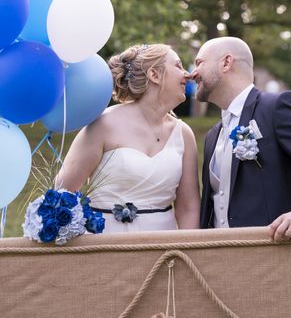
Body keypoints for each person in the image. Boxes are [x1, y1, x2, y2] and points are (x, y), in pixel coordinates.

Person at [190, 37, 291, 241]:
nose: (193, 73)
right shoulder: (212, 136)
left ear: (226, 63)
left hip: (274, 253)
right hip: (220, 259)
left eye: (199, 63)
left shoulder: (276, 107)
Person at [55, 44, 200, 233]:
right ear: (154, 75)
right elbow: (63, 192)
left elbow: (188, 207)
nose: (187, 75)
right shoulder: (103, 125)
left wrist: (187, 252)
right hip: (107, 244)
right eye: (178, 66)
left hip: (165, 247)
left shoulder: (184, 134)